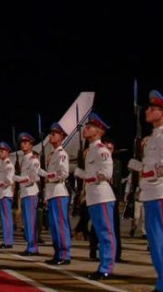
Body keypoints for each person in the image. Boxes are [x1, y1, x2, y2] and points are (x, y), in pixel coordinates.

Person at [128, 90, 163, 292]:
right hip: (151, 194)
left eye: (152, 108)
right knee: (156, 242)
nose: (147, 111)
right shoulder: (153, 139)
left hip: (161, 192)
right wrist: (141, 167)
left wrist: (142, 170)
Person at [74, 113, 117, 280]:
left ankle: (107, 267)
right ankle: (103, 266)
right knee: (99, 233)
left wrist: (83, 175)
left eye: (89, 127)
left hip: (102, 196)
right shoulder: (90, 151)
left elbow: (106, 174)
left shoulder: (102, 151)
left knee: (106, 233)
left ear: (99, 132)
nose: (86, 129)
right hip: (92, 196)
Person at [40, 122, 71, 265]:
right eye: (50, 134)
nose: (50, 136)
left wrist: (47, 175)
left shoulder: (61, 154)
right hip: (52, 192)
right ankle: (58, 253)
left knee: (60, 224)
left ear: (61, 137)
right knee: (53, 226)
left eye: (54, 134)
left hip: (59, 191)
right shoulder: (52, 154)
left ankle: (64, 255)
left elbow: (63, 173)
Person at [13, 133, 41, 255]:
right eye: (22, 143)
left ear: (31, 145)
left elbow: (34, 177)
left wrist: (19, 179)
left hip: (30, 192)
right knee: (27, 222)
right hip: (25, 193)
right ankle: (30, 245)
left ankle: (33, 248)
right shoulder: (24, 159)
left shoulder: (33, 159)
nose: (23, 144)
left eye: (26, 142)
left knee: (30, 221)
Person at [0, 142, 15, 249]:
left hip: (6, 194)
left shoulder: (8, 165)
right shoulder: (3, 165)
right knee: (4, 218)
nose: (0, 153)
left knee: (7, 219)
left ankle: (8, 242)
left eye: (2, 151)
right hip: (2, 194)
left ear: (7, 152)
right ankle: (6, 240)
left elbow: (9, 180)